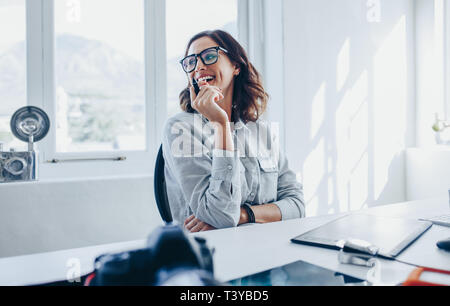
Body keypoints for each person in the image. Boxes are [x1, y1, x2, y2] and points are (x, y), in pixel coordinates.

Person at [162, 30, 305, 233]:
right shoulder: (180, 128)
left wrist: (243, 215)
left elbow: (297, 206)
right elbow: (221, 215)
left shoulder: (261, 131)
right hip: (209, 253)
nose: (199, 67)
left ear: (236, 66)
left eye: (209, 56)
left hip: (266, 246)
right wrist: (220, 125)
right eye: (191, 62)